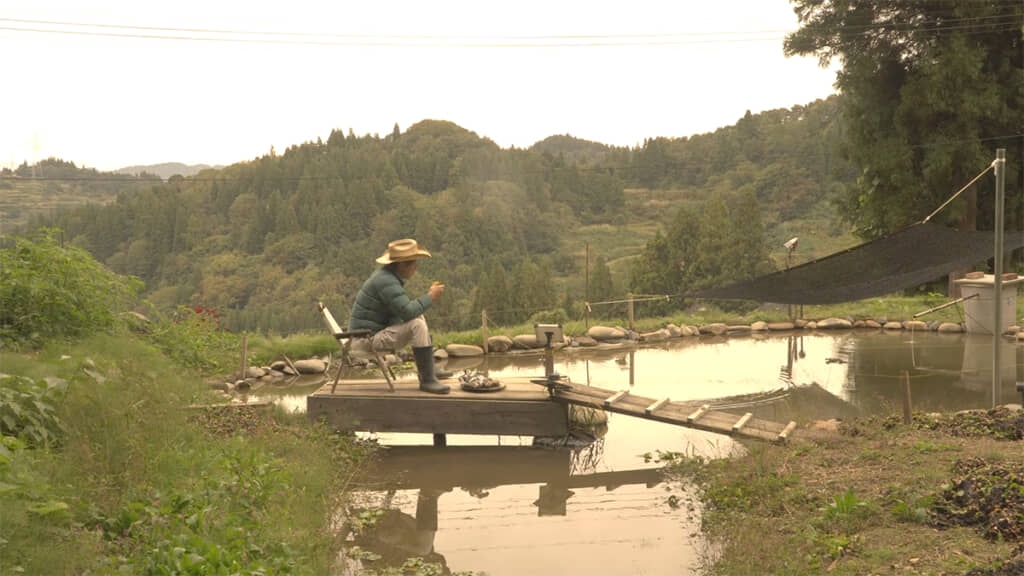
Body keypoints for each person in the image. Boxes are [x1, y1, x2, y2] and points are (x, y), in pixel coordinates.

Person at [348, 238, 450, 394]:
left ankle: (429, 371)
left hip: (367, 336)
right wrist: (430, 297)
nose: (416, 267)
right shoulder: (385, 281)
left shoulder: (386, 277)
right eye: (414, 263)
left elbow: (404, 311)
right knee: (417, 323)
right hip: (365, 340)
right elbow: (407, 311)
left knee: (418, 318)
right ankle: (427, 380)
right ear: (402, 265)